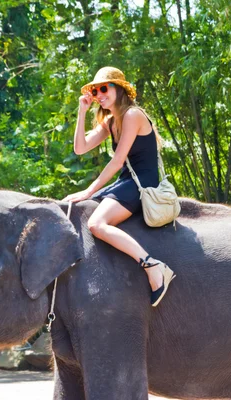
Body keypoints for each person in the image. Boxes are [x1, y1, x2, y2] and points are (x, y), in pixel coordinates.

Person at [62, 66, 175, 307]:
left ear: (119, 89)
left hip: (143, 183)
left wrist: (89, 190)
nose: (99, 94)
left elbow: (117, 160)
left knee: (96, 223)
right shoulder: (110, 122)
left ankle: (152, 266)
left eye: (104, 88)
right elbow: (80, 148)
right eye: (95, 90)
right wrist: (82, 111)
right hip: (126, 181)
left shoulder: (133, 115)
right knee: (80, 208)